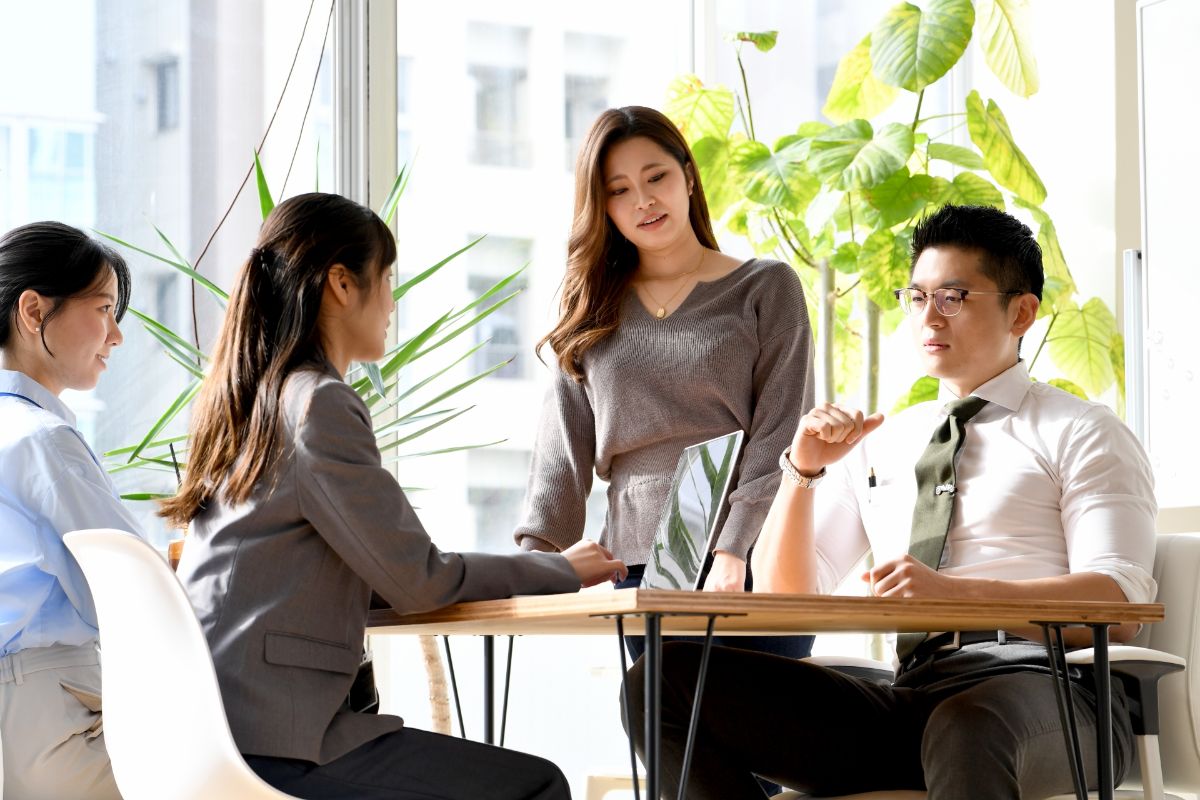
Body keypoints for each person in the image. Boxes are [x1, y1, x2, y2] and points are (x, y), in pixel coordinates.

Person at [625, 204, 1158, 799]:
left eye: (953, 297)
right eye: (916, 297)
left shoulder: (1080, 430)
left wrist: (956, 597)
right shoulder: (884, 441)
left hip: (1052, 695)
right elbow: (792, 597)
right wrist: (801, 472)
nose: (930, 317)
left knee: (968, 724)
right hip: (913, 697)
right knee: (663, 684)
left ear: (1022, 312)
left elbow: (1119, 600)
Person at [163, 192, 625, 800]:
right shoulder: (317, 403)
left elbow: (376, 577)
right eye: (387, 280)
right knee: (535, 787)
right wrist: (560, 569)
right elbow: (419, 581)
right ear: (341, 284)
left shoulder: (253, 402)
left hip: (217, 731)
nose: (391, 303)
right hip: (279, 744)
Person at [514, 105, 815, 660]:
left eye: (657, 178)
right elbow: (561, 458)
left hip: (748, 563)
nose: (644, 201)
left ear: (689, 176)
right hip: (639, 573)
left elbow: (781, 431)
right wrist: (536, 568)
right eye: (619, 190)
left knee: (747, 735)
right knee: (674, 736)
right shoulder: (589, 310)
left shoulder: (764, 287)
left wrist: (733, 550)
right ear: (602, 207)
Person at [0, 221, 138, 800]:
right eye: (104, 308)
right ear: (34, 312)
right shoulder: (41, 439)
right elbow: (133, 593)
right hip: (58, 712)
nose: (116, 335)